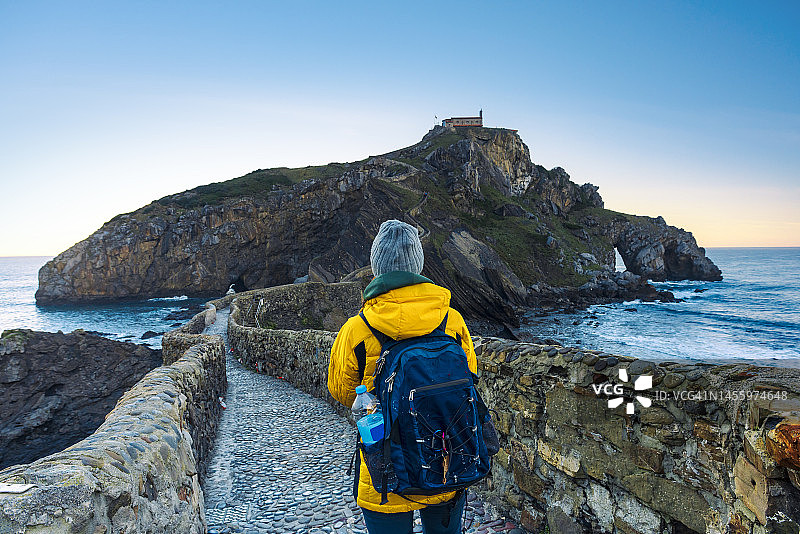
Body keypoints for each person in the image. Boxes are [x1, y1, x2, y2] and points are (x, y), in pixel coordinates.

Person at [328, 219, 478, 534]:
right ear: (418, 265)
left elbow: (342, 391)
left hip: (386, 472)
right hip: (444, 460)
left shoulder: (356, 329)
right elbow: (470, 376)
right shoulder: (451, 320)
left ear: (376, 267)